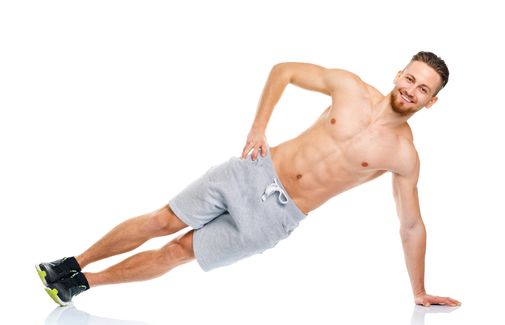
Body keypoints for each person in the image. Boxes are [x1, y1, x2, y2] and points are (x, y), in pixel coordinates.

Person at [37, 51, 461, 308]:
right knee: (162, 220)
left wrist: (419, 290)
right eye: (410, 78)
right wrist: (258, 128)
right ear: (398, 74)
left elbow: (410, 225)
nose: (411, 90)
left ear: (432, 101)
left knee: (177, 252)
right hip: (253, 170)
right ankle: (72, 263)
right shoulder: (349, 87)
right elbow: (285, 71)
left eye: (423, 89)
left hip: (276, 217)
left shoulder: (403, 156)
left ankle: (80, 285)